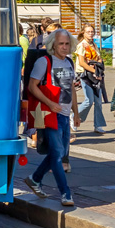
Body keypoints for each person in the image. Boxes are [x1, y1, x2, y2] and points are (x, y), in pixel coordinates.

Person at [24, 29, 78, 206]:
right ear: (53, 44)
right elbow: (32, 86)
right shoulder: (44, 61)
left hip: (64, 114)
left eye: (67, 44)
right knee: (57, 154)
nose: (64, 47)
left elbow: (71, 89)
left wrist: (75, 113)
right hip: (50, 114)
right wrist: (50, 103)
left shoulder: (69, 62)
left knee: (59, 152)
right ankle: (66, 193)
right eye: (61, 44)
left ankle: (35, 179)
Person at [75, 24, 108, 135]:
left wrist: (99, 67)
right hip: (86, 75)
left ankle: (98, 125)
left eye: (92, 31)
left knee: (98, 101)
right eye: (88, 32)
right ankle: (74, 118)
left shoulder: (93, 44)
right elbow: (81, 62)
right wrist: (94, 71)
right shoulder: (81, 45)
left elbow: (98, 58)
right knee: (89, 100)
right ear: (83, 33)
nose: (90, 33)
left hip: (95, 75)